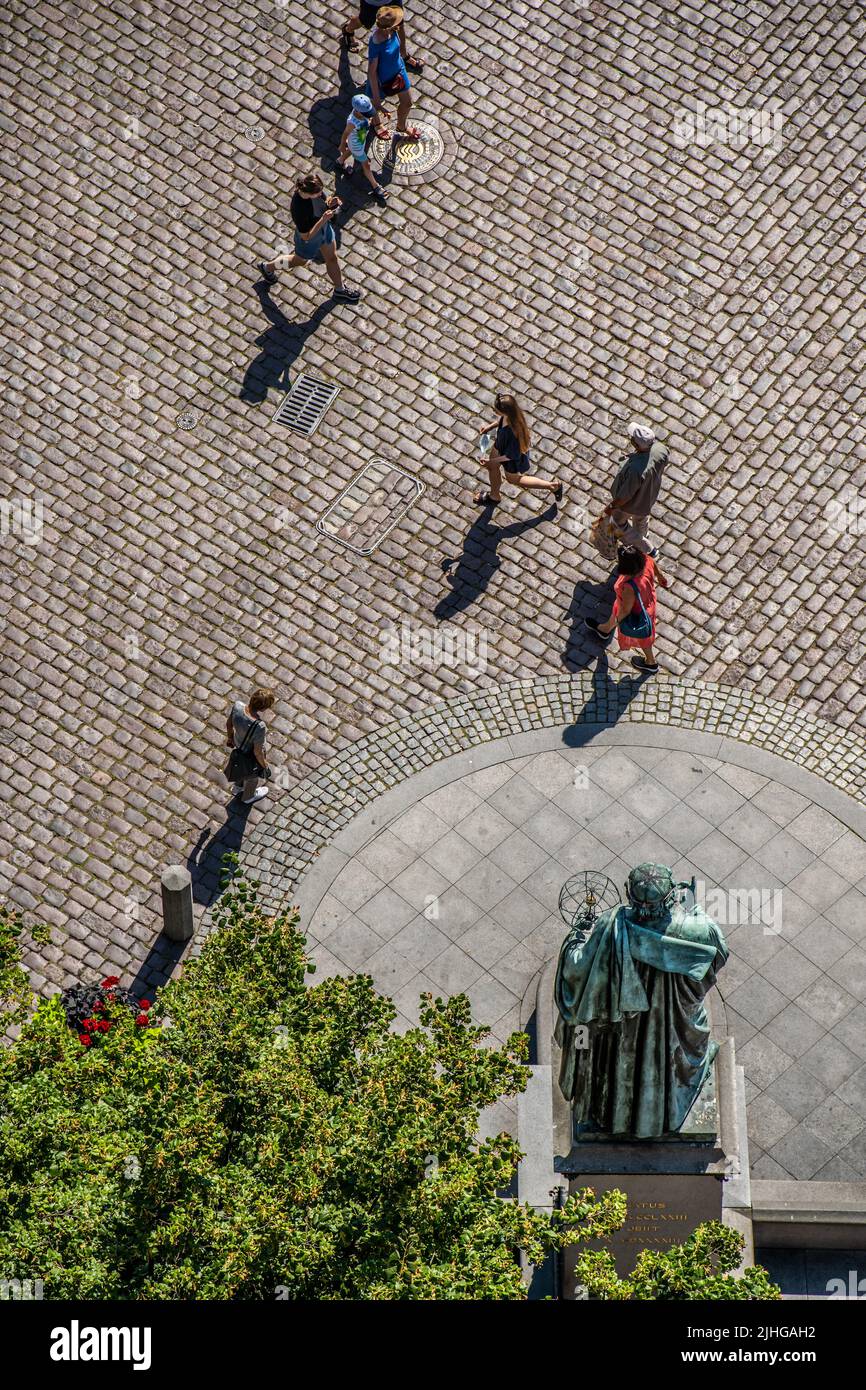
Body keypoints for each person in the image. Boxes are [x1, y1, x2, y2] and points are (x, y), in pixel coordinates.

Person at [259, 173, 361, 300]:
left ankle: (340, 289)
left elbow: (323, 202)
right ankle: (267, 267)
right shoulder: (298, 208)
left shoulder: (313, 188)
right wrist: (323, 220)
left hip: (324, 229)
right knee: (299, 261)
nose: (321, 194)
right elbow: (306, 236)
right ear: (308, 193)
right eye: (318, 193)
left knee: (332, 258)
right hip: (310, 238)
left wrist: (331, 203)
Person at [584, 544, 669, 674]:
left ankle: (651, 663)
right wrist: (660, 577)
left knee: (644, 637)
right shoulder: (646, 560)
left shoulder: (629, 586)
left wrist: (619, 621)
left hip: (637, 611)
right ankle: (604, 630)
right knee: (616, 610)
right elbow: (655, 568)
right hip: (648, 600)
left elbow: (626, 610)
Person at [473, 393, 563, 507]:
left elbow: (511, 456)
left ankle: (551, 486)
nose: (495, 412)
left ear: (506, 411)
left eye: (497, 410)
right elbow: (502, 420)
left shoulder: (513, 433)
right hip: (501, 445)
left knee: (514, 479)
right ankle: (494, 495)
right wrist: (490, 427)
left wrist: (492, 461)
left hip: (510, 458)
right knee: (492, 467)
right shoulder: (512, 415)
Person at [605, 421, 669, 556]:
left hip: (632, 504)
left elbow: (625, 496)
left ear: (637, 445)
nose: (631, 439)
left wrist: (612, 506)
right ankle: (642, 537)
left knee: (617, 523)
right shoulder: (661, 449)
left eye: (633, 438)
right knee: (641, 519)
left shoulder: (636, 470)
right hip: (649, 495)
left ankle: (647, 548)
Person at [367, 7, 420, 141]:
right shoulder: (376, 42)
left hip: (399, 72)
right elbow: (372, 73)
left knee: (407, 103)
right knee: (374, 105)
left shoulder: (394, 30)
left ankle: (401, 126)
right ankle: (377, 123)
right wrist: (378, 99)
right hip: (382, 80)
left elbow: (399, 50)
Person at [341, 1, 424, 73]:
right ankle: (348, 30)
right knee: (363, 20)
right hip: (372, 3)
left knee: (399, 23)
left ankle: (404, 55)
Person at [225, 688, 275, 805]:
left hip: (238, 744)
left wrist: (230, 738)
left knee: (240, 766)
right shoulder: (259, 726)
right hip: (249, 753)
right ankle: (248, 796)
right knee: (252, 776)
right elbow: (257, 751)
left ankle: (238, 787)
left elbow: (229, 724)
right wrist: (264, 765)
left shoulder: (237, 706)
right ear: (263, 708)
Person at [339, 94, 388, 199]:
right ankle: (375, 186)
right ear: (357, 111)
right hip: (357, 144)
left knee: (351, 150)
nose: (369, 115)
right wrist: (342, 144)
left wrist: (382, 109)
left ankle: (340, 161)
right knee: (366, 165)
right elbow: (345, 133)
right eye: (367, 114)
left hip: (359, 141)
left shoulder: (362, 109)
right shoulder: (352, 122)